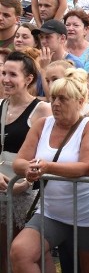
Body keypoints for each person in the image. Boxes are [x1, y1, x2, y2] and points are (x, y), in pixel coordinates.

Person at [9, 69, 89, 273]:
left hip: (88, 213)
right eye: (53, 98)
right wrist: (30, 169)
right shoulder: (43, 123)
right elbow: (20, 161)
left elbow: (86, 165)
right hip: (51, 210)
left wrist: (47, 167)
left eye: (63, 99)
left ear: (80, 102)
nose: (56, 104)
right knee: (20, 251)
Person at [0, 52, 51, 228]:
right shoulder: (0, 105)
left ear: (29, 79)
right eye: (4, 73)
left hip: (26, 191)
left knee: (25, 251)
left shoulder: (42, 109)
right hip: (1, 188)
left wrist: (26, 182)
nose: (6, 79)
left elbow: (48, 150)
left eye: (13, 74)